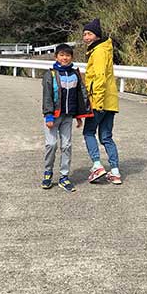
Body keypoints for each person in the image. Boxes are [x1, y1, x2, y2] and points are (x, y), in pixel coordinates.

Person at [41, 43, 92, 192]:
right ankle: (48, 173)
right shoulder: (50, 74)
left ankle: (64, 176)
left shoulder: (75, 73)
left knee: (67, 146)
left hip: (68, 117)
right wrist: (48, 115)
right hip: (53, 116)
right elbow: (47, 97)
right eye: (62, 55)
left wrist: (79, 115)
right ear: (56, 57)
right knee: (51, 145)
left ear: (72, 57)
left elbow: (78, 95)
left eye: (68, 55)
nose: (65, 58)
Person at [82, 18, 122, 185]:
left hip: (100, 100)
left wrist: (96, 101)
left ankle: (97, 165)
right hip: (110, 102)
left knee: (88, 132)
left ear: (97, 36)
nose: (86, 37)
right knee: (106, 136)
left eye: (89, 34)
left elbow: (99, 78)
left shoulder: (98, 52)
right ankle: (115, 171)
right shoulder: (105, 49)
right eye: (84, 34)